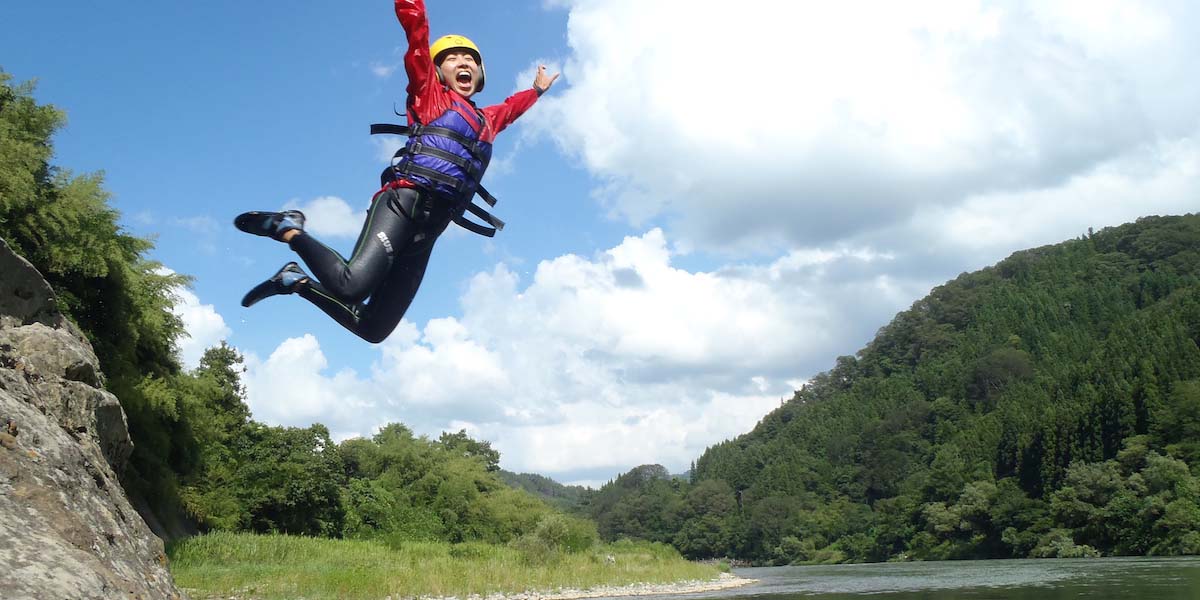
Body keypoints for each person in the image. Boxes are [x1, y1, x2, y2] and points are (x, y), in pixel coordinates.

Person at [234, 0, 559, 343]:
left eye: (471, 59)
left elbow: (511, 108)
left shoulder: (488, 121)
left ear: (480, 76)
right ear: (436, 72)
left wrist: (536, 91)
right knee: (351, 286)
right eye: (452, 58)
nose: (464, 62)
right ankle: (289, 228)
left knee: (373, 329)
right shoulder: (429, 94)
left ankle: (294, 281)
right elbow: (416, 30)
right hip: (403, 203)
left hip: (431, 228)